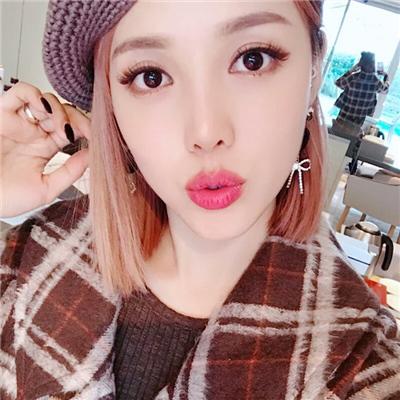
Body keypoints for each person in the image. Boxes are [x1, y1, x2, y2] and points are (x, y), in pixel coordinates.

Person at [0, 1, 399, 399]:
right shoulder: (29, 257)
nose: (206, 132)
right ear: (112, 105)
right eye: (152, 77)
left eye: (253, 59)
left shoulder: (365, 366)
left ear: (314, 71)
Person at [334, 51, 390, 127]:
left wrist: (351, 70)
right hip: (358, 121)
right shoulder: (375, 81)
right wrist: (386, 77)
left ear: (360, 63)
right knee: (352, 134)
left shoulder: (353, 77)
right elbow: (385, 90)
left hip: (343, 117)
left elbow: (338, 83)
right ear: (373, 64)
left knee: (337, 133)